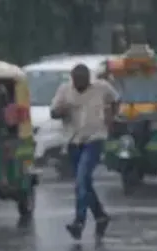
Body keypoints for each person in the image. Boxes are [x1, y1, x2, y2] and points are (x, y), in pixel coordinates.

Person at [50, 63, 119, 240]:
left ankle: (79, 222)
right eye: (78, 80)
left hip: (95, 139)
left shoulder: (101, 87)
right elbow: (54, 112)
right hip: (73, 141)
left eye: (85, 79)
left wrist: (111, 116)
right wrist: (62, 110)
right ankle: (100, 216)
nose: (82, 83)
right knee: (84, 183)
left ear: (89, 77)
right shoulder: (65, 90)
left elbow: (115, 99)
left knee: (81, 178)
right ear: (73, 79)